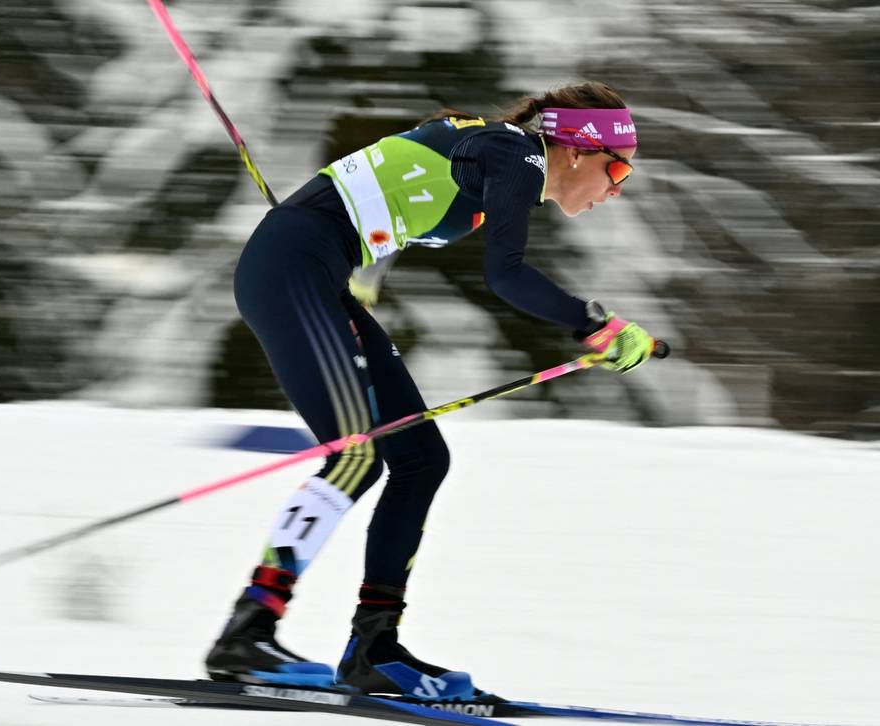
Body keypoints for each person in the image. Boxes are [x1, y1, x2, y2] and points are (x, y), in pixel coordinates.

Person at [205, 81, 656, 700]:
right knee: (357, 456)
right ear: (577, 151)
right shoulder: (517, 154)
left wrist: (361, 285)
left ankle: (374, 645)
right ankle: (248, 632)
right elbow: (507, 275)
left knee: (421, 459)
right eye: (618, 168)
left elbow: (390, 184)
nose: (617, 188)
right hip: (293, 270)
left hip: (316, 274)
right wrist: (596, 324)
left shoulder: (495, 153)